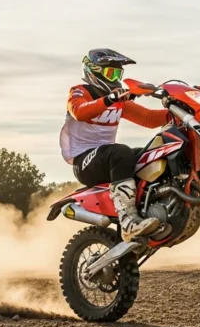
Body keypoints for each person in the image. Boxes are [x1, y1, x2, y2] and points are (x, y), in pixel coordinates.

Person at [60, 48, 171, 242]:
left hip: (106, 158)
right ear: (93, 70)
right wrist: (111, 99)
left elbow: (149, 119)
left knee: (153, 153)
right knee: (121, 152)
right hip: (83, 161)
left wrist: (177, 110)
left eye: (118, 73)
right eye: (110, 72)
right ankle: (128, 220)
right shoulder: (79, 91)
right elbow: (79, 112)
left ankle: (154, 209)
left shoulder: (118, 101)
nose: (115, 78)